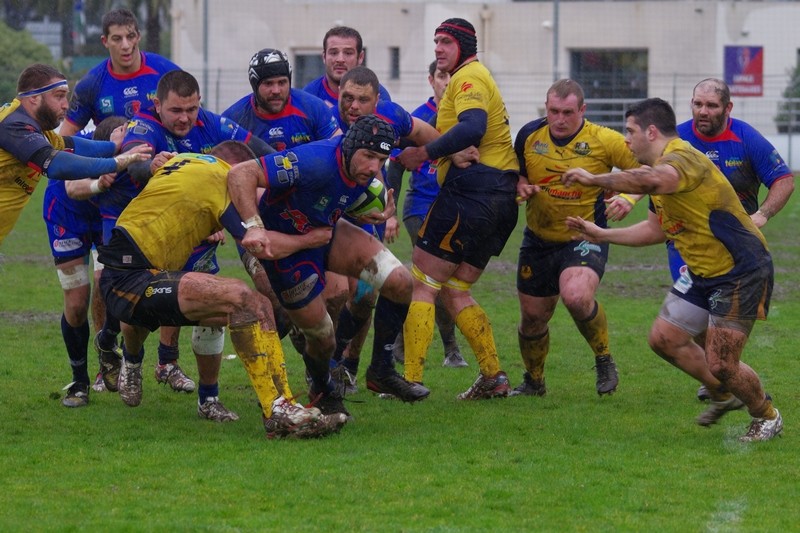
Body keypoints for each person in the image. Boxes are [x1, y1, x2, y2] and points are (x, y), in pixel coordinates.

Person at [562, 97, 783, 442]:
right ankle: (725, 394)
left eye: (630, 131)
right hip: (702, 272)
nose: (626, 140)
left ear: (651, 132)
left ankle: (766, 415)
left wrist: (593, 179)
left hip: (740, 270)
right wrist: (600, 233)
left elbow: (652, 180)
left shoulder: (682, 159)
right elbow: (655, 229)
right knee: (664, 339)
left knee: (723, 363)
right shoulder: (661, 175)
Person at [97, 141, 345, 439]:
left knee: (257, 305)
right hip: (129, 274)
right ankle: (277, 410)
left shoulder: (190, 159)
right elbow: (260, 245)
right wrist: (311, 239)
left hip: (139, 268)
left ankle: (283, 405)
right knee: (241, 297)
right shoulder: (224, 178)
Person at [98, 69, 274, 420]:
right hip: (147, 234)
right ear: (157, 105)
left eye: (191, 109)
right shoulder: (144, 125)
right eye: (176, 110)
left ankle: (208, 398)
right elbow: (135, 164)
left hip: (200, 235)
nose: (185, 118)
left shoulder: (213, 124)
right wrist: (150, 164)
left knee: (213, 313)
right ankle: (131, 357)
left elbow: (263, 154)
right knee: (138, 317)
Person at [228, 114, 429, 419]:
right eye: (369, 157)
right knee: (322, 338)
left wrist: (367, 215)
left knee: (401, 282)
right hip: (286, 250)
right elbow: (241, 173)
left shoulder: (362, 174)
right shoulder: (314, 161)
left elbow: (330, 198)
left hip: (325, 232)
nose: (375, 167)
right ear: (349, 149)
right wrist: (254, 226)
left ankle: (381, 370)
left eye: (382, 159)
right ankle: (322, 389)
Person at [395, 18, 518, 399]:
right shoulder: (473, 77)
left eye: (446, 42)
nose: (438, 49)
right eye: (435, 42)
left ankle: (410, 380)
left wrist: (425, 153)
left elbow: (473, 127)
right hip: (500, 199)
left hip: (472, 193)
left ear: (464, 45)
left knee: (424, 283)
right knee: (456, 289)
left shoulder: (468, 78)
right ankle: (493, 376)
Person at [510, 79, 640, 398]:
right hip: (538, 237)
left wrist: (627, 197)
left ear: (583, 110)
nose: (559, 119)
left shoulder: (604, 140)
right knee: (532, 319)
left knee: (576, 295)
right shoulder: (529, 135)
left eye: (568, 112)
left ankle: (604, 358)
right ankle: (534, 381)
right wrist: (521, 185)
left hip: (585, 234)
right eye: (553, 111)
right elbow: (517, 170)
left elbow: (646, 170)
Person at [328, 66, 441, 401]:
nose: (353, 106)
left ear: (377, 100)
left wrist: (453, 151)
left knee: (367, 295)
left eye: (363, 99)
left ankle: (370, 368)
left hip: (367, 221)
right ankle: (323, 370)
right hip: (323, 223)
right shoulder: (325, 120)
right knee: (329, 297)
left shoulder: (389, 116)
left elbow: (425, 133)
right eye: (347, 97)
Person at [0, 63, 149, 247]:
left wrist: (112, 146)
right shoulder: (15, 125)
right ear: (34, 98)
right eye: (59, 97)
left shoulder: (33, 127)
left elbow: (70, 145)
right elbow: (56, 165)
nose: (66, 105)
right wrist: (118, 162)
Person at [386, 60, 467, 369]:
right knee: (434, 277)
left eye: (453, 77)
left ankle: (407, 346)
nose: (447, 82)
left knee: (443, 281)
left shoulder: (469, 120)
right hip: (420, 208)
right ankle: (441, 349)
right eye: (443, 76)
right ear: (431, 79)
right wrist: (389, 212)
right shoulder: (416, 119)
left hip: (458, 212)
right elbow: (395, 164)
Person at [43, 116, 128, 407]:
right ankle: (79, 383)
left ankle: (107, 343)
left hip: (108, 215)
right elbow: (73, 189)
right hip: (67, 217)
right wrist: (100, 182)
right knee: (77, 303)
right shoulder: (80, 148)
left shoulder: (137, 145)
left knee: (114, 285)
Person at [59, 8, 180, 137]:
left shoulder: (167, 72)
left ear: (138, 36)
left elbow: (194, 118)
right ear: (105, 41)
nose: (125, 45)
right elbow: (65, 140)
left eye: (130, 36)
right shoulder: (90, 84)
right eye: (117, 39)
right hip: (114, 156)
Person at [223, 48, 340, 151]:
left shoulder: (313, 108)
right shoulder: (233, 119)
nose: (276, 90)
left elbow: (339, 149)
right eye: (268, 83)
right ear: (255, 85)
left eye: (282, 82)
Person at [303, 26, 391, 108]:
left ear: (360, 57)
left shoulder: (377, 95)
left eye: (348, 53)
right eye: (333, 53)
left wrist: (332, 117)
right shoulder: (308, 96)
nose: (340, 59)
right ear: (324, 57)